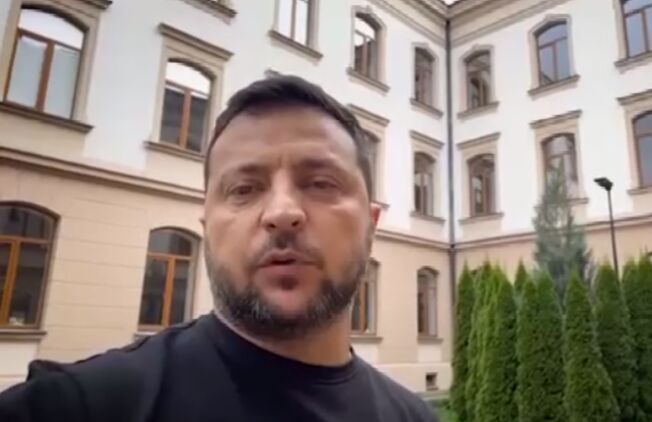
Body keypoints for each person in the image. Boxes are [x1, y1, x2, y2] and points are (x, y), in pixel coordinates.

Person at [0, 75, 438, 422]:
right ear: (207, 227)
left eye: (321, 183)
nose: (282, 212)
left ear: (370, 225)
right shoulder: (78, 406)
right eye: (244, 189)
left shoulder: (414, 417)